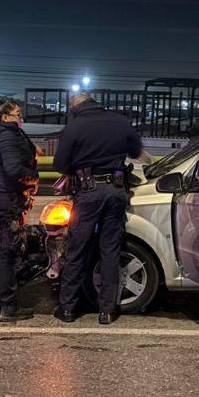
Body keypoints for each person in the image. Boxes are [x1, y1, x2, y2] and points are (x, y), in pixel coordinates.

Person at [52, 92, 143, 324]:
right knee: (110, 250)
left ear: (75, 107)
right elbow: (135, 152)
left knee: (77, 249)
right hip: (116, 191)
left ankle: (68, 308)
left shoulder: (74, 126)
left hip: (89, 192)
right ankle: (107, 311)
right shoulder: (121, 121)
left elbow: (60, 164)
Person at [0, 98, 40, 321]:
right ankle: (8, 307)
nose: (20, 119)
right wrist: (34, 178)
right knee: (8, 254)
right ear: (4, 118)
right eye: (17, 114)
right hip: (8, 201)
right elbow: (13, 169)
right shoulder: (7, 135)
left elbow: (2, 163)